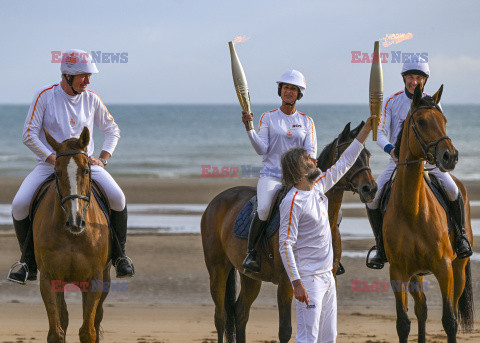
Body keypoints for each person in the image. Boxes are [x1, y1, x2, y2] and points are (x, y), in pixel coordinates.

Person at [7, 49, 134, 284]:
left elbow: (112, 129)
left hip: (85, 165)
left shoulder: (92, 98)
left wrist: (103, 158)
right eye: (83, 76)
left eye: (89, 76)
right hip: (50, 166)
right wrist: (51, 157)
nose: (88, 80)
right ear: (67, 76)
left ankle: (120, 256)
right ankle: (27, 262)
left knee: (118, 197)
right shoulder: (45, 96)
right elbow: (28, 133)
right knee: (19, 204)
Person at [365, 58, 472, 269]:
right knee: (373, 199)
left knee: (453, 190)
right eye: (411, 77)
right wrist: (391, 150)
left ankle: (459, 237)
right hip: (398, 163)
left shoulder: (433, 102)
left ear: (425, 80)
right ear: (404, 78)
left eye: (419, 78)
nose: (415, 82)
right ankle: (381, 246)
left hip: (429, 164)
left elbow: (440, 131)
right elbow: (379, 134)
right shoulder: (391, 102)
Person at [279, 115, 375, 343]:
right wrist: (296, 283)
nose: (314, 160)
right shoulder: (292, 201)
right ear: (298, 169)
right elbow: (285, 244)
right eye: (308, 159)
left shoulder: (319, 186)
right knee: (307, 338)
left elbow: (345, 162)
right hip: (308, 280)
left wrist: (366, 130)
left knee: (329, 338)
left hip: (328, 277)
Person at [241, 69, 317, 273]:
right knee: (264, 208)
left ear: (299, 93)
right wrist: (249, 128)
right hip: (272, 176)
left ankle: (327, 251)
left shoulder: (307, 121)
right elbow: (261, 149)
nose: (288, 92)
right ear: (280, 90)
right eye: (285, 88)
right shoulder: (268, 118)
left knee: (322, 205)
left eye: (293, 89)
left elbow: (311, 154)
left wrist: (306, 173)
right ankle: (252, 253)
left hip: (298, 179)